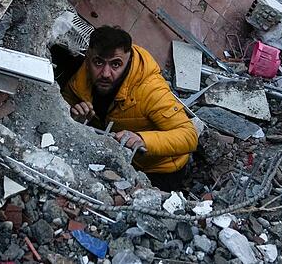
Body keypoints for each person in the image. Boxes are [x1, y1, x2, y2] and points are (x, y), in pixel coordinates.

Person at [62, 26, 198, 191]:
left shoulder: (151, 90)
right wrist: (75, 116)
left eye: (116, 64)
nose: (105, 73)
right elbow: (64, 101)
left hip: (159, 169)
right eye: (98, 62)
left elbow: (189, 135)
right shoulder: (83, 77)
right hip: (118, 156)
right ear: (88, 57)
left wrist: (142, 139)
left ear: (128, 60)